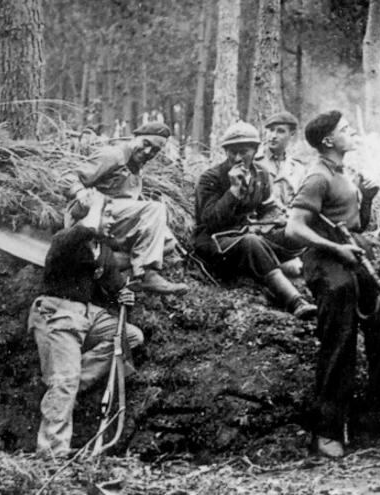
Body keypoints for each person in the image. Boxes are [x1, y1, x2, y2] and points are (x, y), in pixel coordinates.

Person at [287, 110, 380, 458]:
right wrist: (335, 248)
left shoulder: (343, 173)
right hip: (328, 265)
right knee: (340, 344)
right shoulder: (316, 177)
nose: (352, 133)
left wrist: (366, 199)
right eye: (345, 130)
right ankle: (327, 432)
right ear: (328, 141)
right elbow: (295, 228)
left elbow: (354, 225)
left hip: (356, 257)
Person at [28, 191, 144, 458]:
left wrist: (123, 294)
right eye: (108, 215)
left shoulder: (102, 249)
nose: (113, 222)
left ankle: (72, 379)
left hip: (88, 315)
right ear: (89, 217)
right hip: (56, 312)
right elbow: (85, 228)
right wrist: (94, 206)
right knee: (63, 381)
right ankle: (52, 455)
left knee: (130, 336)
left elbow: (115, 285)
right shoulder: (65, 240)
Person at [193, 121, 316, 320]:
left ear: (256, 150)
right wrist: (233, 191)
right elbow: (210, 222)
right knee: (251, 242)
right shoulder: (211, 178)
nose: (238, 158)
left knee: (295, 232)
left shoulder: (261, 174)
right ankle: (295, 300)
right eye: (232, 152)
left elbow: (267, 209)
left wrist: (275, 222)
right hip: (216, 242)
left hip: (251, 235)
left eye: (244, 151)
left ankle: (311, 279)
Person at [61, 122, 187, 294]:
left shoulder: (137, 167)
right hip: (89, 217)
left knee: (168, 243)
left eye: (155, 150)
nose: (148, 152)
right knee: (155, 209)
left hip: (112, 222)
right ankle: (148, 275)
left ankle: (104, 262)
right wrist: (81, 193)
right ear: (135, 137)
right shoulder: (113, 155)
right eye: (146, 144)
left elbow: (125, 199)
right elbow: (66, 178)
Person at [256, 111, 307, 211]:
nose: (273, 136)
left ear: (291, 134)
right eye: (271, 130)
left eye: (280, 131)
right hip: (259, 222)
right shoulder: (254, 162)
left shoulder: (298, 168)